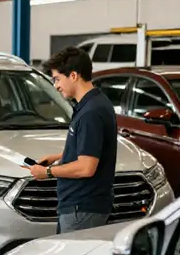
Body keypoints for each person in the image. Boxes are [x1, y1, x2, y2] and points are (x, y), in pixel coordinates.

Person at [27, 45, 118, 232]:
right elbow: (91, 148)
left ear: (74, 76)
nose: (56, 85)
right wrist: (60, 156)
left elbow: (86, 167)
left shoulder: (90, 113)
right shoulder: (95, 103)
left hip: (82, 209)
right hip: (82, 207)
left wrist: (49, 172)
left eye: (58, 79)